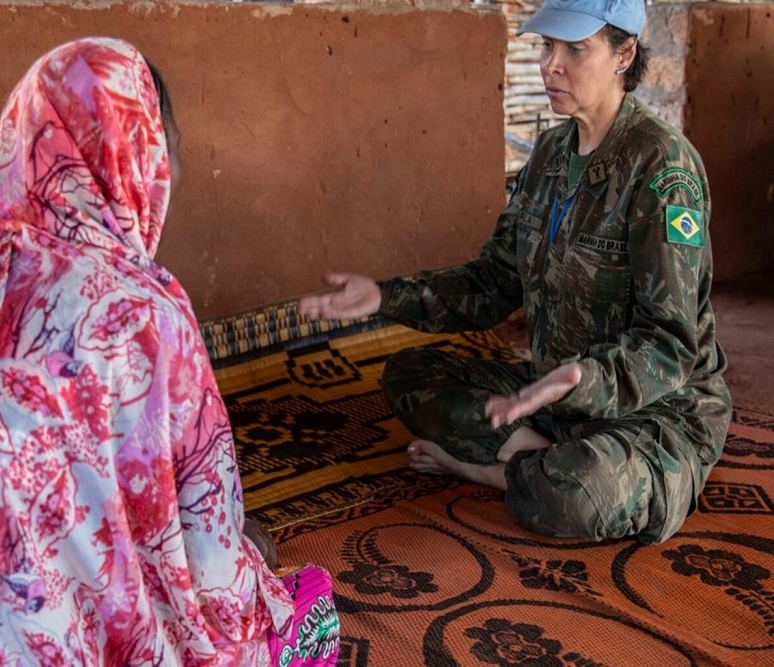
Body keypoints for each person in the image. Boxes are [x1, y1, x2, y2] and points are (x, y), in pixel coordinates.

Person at [0, 38, 339, 666]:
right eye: (167, 142)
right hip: (16, 647)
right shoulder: (142, 312)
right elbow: (209, 567)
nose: (173, 166)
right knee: (305, 608)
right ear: (136, 153)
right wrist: (244, 559)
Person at [299, 0, 730, 545]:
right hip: (550, 397)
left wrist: (584, 380)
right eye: (548, 46)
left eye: (575, 49)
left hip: (653, 413)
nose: (551, 65)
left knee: (581, 493)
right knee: (408, 375)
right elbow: (492, 282)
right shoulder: (549, 155)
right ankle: (541, 461)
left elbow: (670, 345)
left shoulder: (663, 168)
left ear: (624, 54)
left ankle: (494, 470)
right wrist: (385, 297)